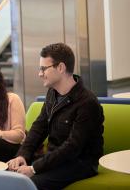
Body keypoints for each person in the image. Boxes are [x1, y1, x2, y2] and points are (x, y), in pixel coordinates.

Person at [7, 43, 104, 190]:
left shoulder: (87, 102)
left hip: (80, 163)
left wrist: (34, 169)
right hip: (54, 159)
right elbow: (38, 128)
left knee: (27, 185)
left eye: (43, 69)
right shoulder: (52, 93)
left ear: (60, 67)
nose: (40, 74)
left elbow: (72, 147)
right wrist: (23, 155)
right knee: (10, 177)